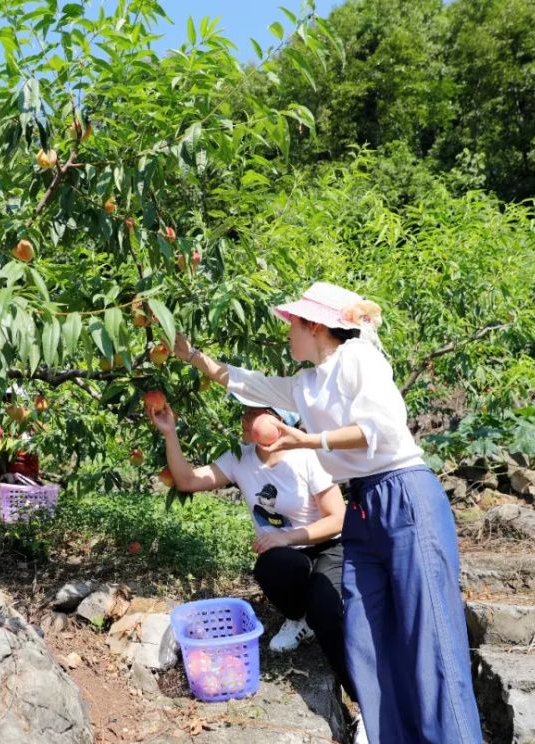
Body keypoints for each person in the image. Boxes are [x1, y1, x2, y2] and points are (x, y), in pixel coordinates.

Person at [173, 282, 482, 744]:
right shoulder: (307, 384)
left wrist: (308, 441)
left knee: (430, 635)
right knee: (366, 636)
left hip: (403, 493)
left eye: (292, 323)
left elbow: (379, 428)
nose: (286, 334)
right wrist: (192, 355)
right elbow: (246, 382)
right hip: (362, 505)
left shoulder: (358, 359)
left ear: (315, 325)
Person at [148, 396, 361, 721]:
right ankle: (297, 617)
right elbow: (187, 481)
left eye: (255, 412)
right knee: (272, 565)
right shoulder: (240, 458)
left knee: (326, 611)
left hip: (328, 545)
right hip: (287, 554)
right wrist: (170, 433)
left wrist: (286, 536)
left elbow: (338, 518)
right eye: (244, 411)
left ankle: (363, 700)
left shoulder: (307, 457)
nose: (244, 418)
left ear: (281, 421)